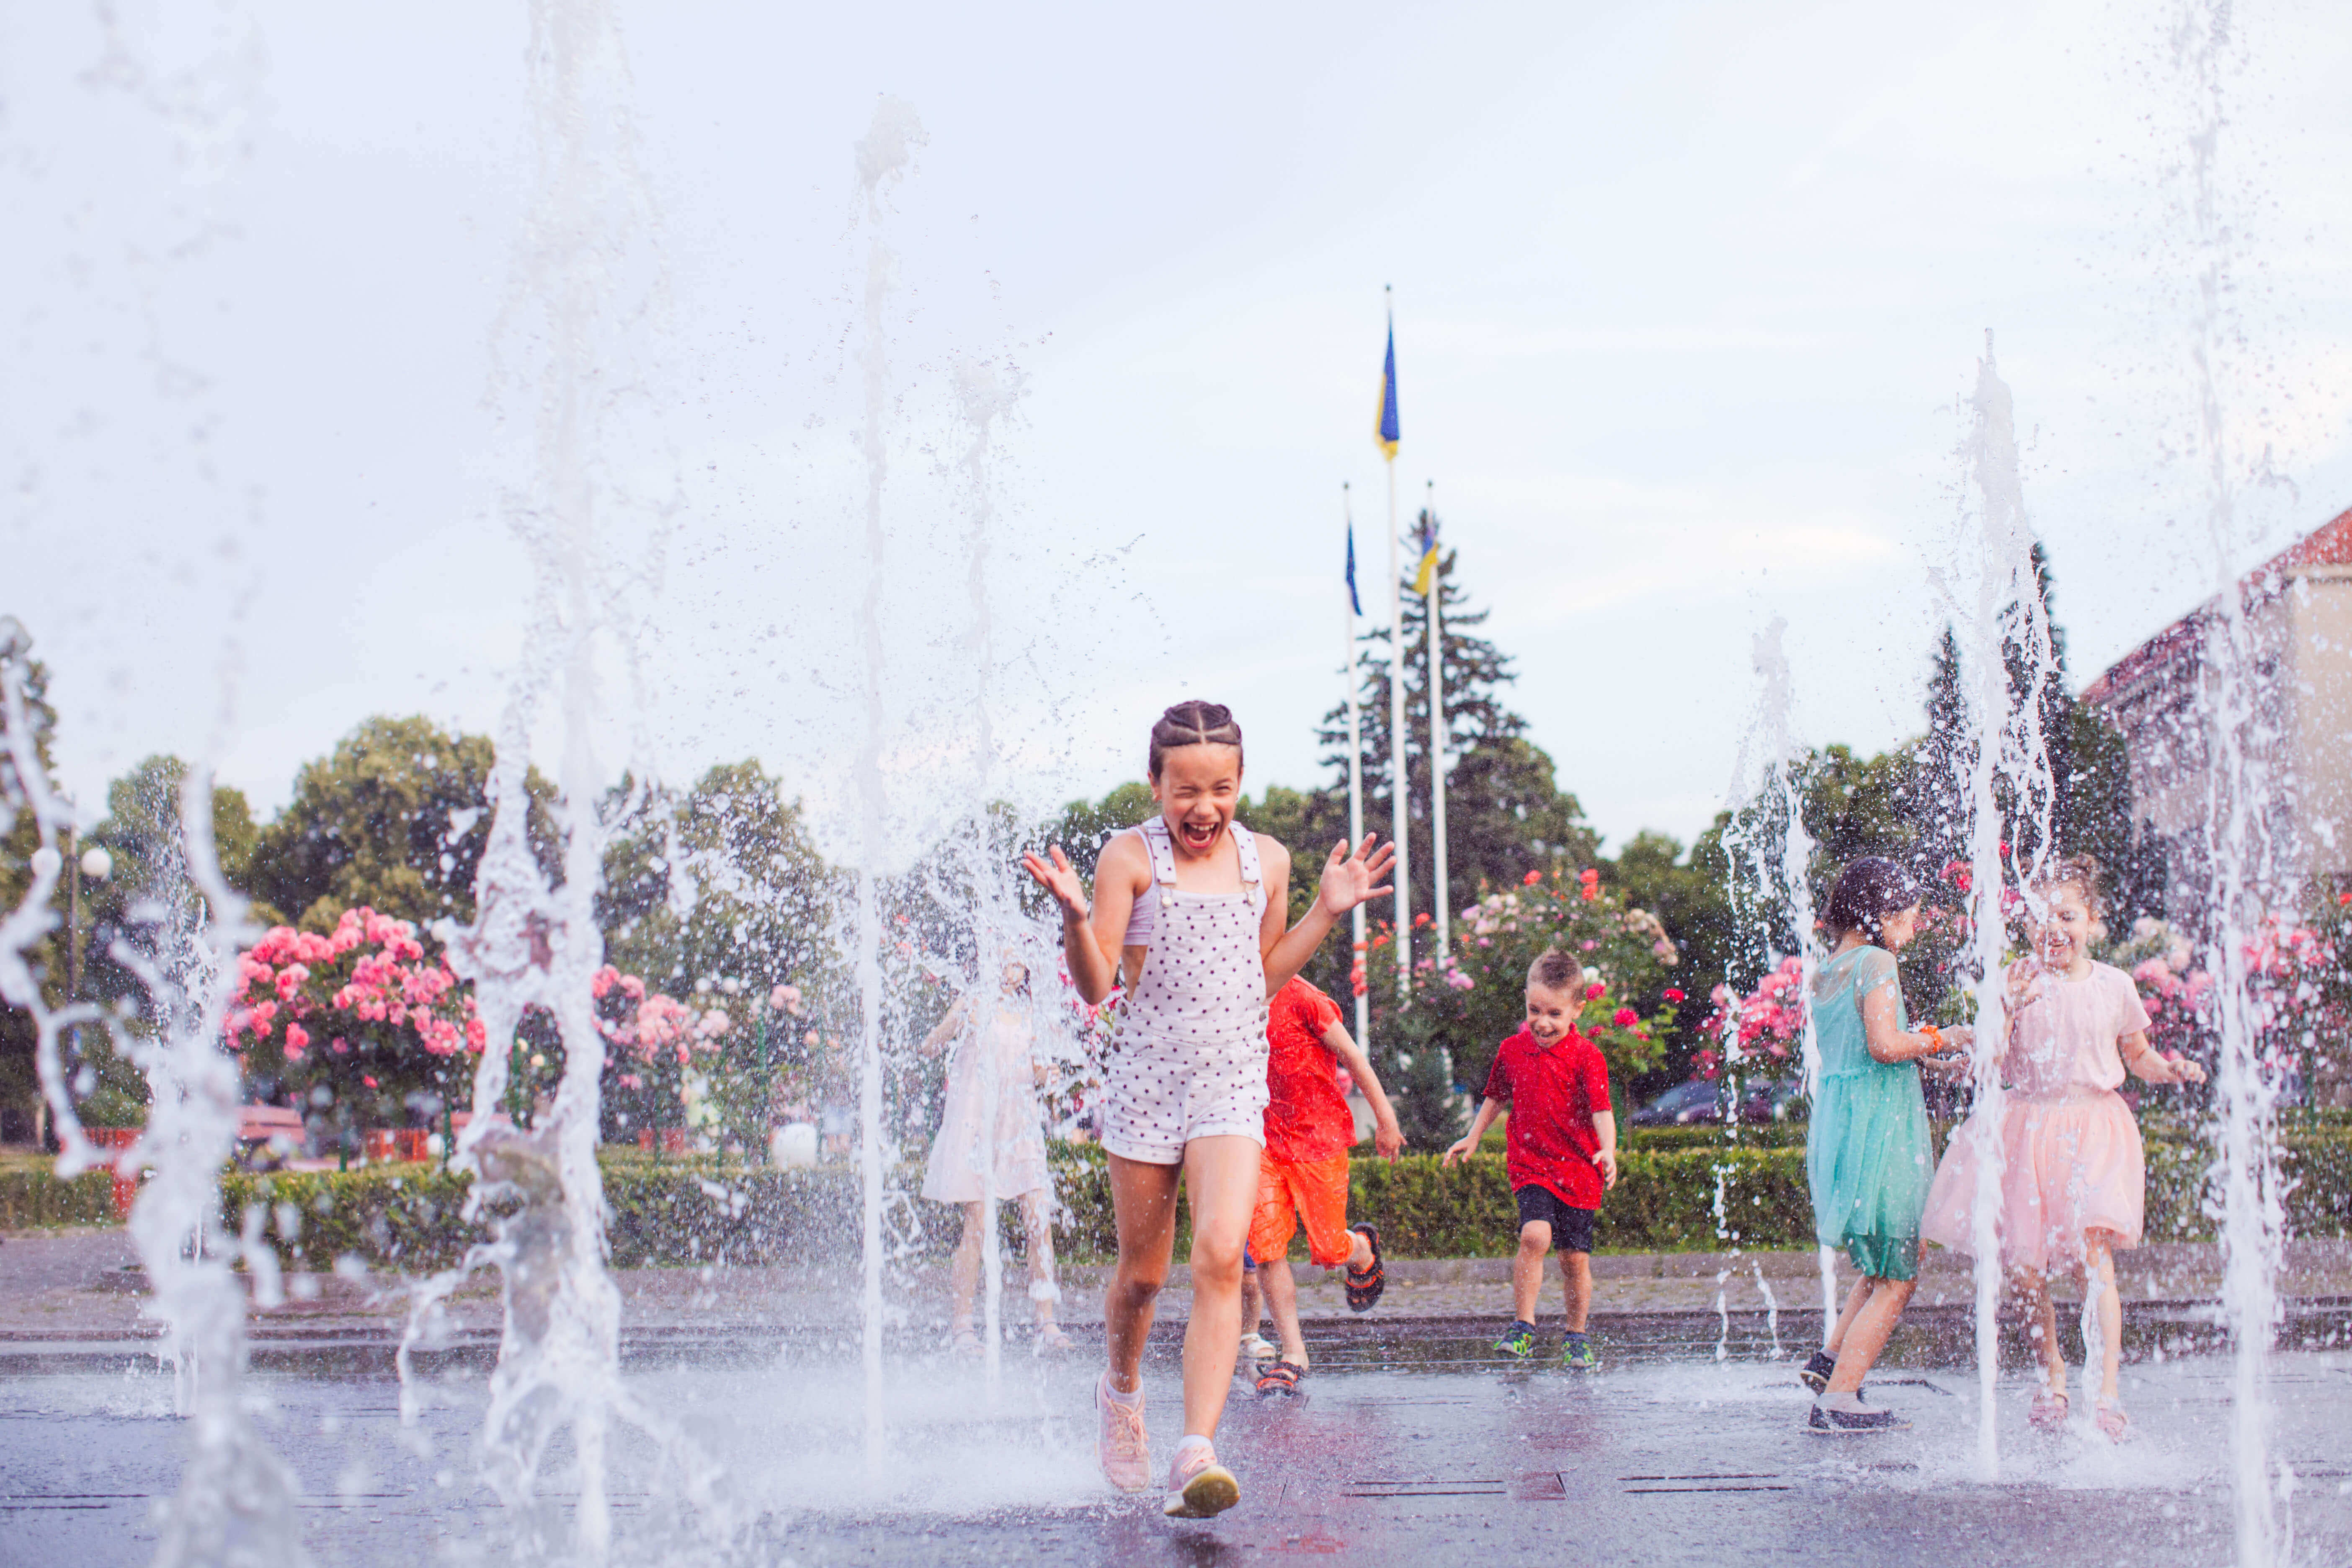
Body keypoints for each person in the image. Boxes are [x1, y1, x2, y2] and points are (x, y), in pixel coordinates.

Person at [1023, 700, 1393, 1520]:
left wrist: (1325, 912)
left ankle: (1196, 1451)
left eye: (1220, 788)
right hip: (1149, 1087)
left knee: (1225, 1257)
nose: (1204, 808)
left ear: (1239, 782)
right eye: (1185, 789)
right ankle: (1120, 1394)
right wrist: (1077, 920)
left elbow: (1259, 980)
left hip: (1232, 1086)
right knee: (1145, 1277)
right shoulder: (1131, 860)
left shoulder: (1266, 860)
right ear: (1155, 783)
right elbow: (1095, 986)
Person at [1920, 857, 2206, 1441]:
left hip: (2095, 1131)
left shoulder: (2115, 986)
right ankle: (2052, 1371)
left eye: (2068, 915)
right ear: (2026, 926)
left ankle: (2107, 1392)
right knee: (2026, 1269)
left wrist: (2171, 1070)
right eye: (2041, 916)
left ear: (2093, 922)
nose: (2055, 928)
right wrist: (2009, 1006)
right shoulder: (2015, 981)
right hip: (2026, 1130)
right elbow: (1993, 1060)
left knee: (2091, 1263)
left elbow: (2138, 1056)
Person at [1800, 856, 1973, 1434]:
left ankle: (1829, 1362)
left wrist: (1934, 1061)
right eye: (1910, 915)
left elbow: (1861, 1049)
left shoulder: (1832, 967)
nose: (1916, 927)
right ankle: (1841, 1400)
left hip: (1848, 1121)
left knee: (1884, 1257)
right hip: (1881, 1129)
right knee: (1898, 1273)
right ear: (1881, 914)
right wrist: (1944, 1034)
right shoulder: (1877, 961)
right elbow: (1881, 1045)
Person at [1441, 949, 1617, 1369]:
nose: (1543, 1022)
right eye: (1534, 1010)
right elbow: (1496, 1097)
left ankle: (1576, 1335)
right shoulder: (1512, 1050)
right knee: (1535, 1236)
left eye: (1555, 1014)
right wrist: (1474, 1136)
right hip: (1532, 1162)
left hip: (1578, 1168)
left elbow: (1601, 1111)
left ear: (1578, 1009)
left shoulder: (1587, 1057)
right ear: (1525, 1000)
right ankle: (1524, 1325)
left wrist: (1608, 1149)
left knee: (1574, 1259)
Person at [1246, 975, 1405, 1395]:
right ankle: (1293, 1353)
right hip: (1261, 1141)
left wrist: (1386, 1121)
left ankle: (1361, 1249)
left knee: (1329, 1250)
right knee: (1266, 1248)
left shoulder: (1304, 998)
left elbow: (1354, 1058)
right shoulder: (1231, 992)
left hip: (1318, 1140)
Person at [919, 957, 1070, 1354]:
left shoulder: (1028, 1013)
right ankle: (963, 1326)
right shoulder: (974, 1003)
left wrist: (1049, 1075)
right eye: (1005, 960)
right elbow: (929, 1046)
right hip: (978, 1124)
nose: (1012, 969)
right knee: (978, 1222)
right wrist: (954, 1024)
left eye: (1020, 962)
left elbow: (1037, 1070)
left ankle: (1047, 1321)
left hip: (1018, 1125)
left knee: (1039, 1216)